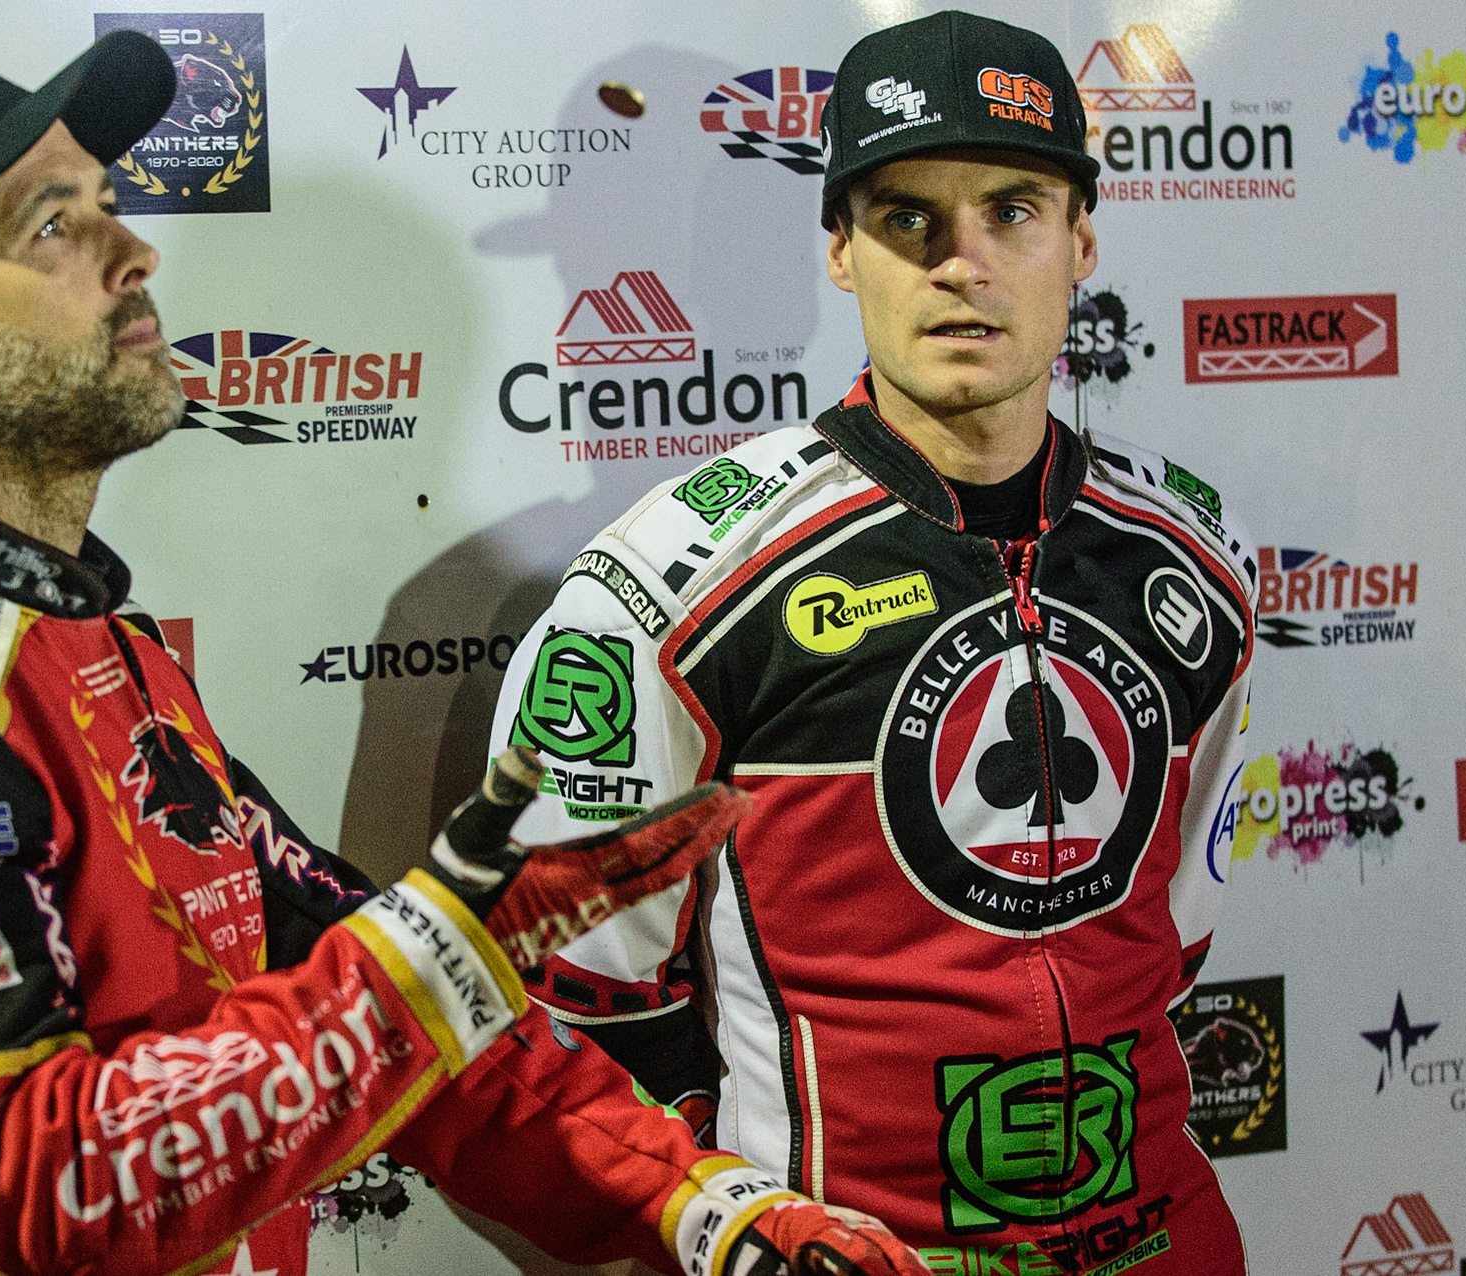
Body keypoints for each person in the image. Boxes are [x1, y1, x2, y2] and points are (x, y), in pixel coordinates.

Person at [0, 33, 933, 1276]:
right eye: (53, 227)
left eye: (107, 203)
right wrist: (446, 953)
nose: (136, 252)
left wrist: (710, 1216)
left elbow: (398, 1012)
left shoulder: (99, 650)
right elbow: (27, 1193)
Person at [493, 11, 1259, 1274]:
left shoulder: (1191, 564)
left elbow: (1172, 942)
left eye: (1012, 210)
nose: (963, 262)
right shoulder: (674, 588)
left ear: (1082, 241)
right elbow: (572, 1004)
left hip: (1164, 1241)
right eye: (910, 219)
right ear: (840, 250)